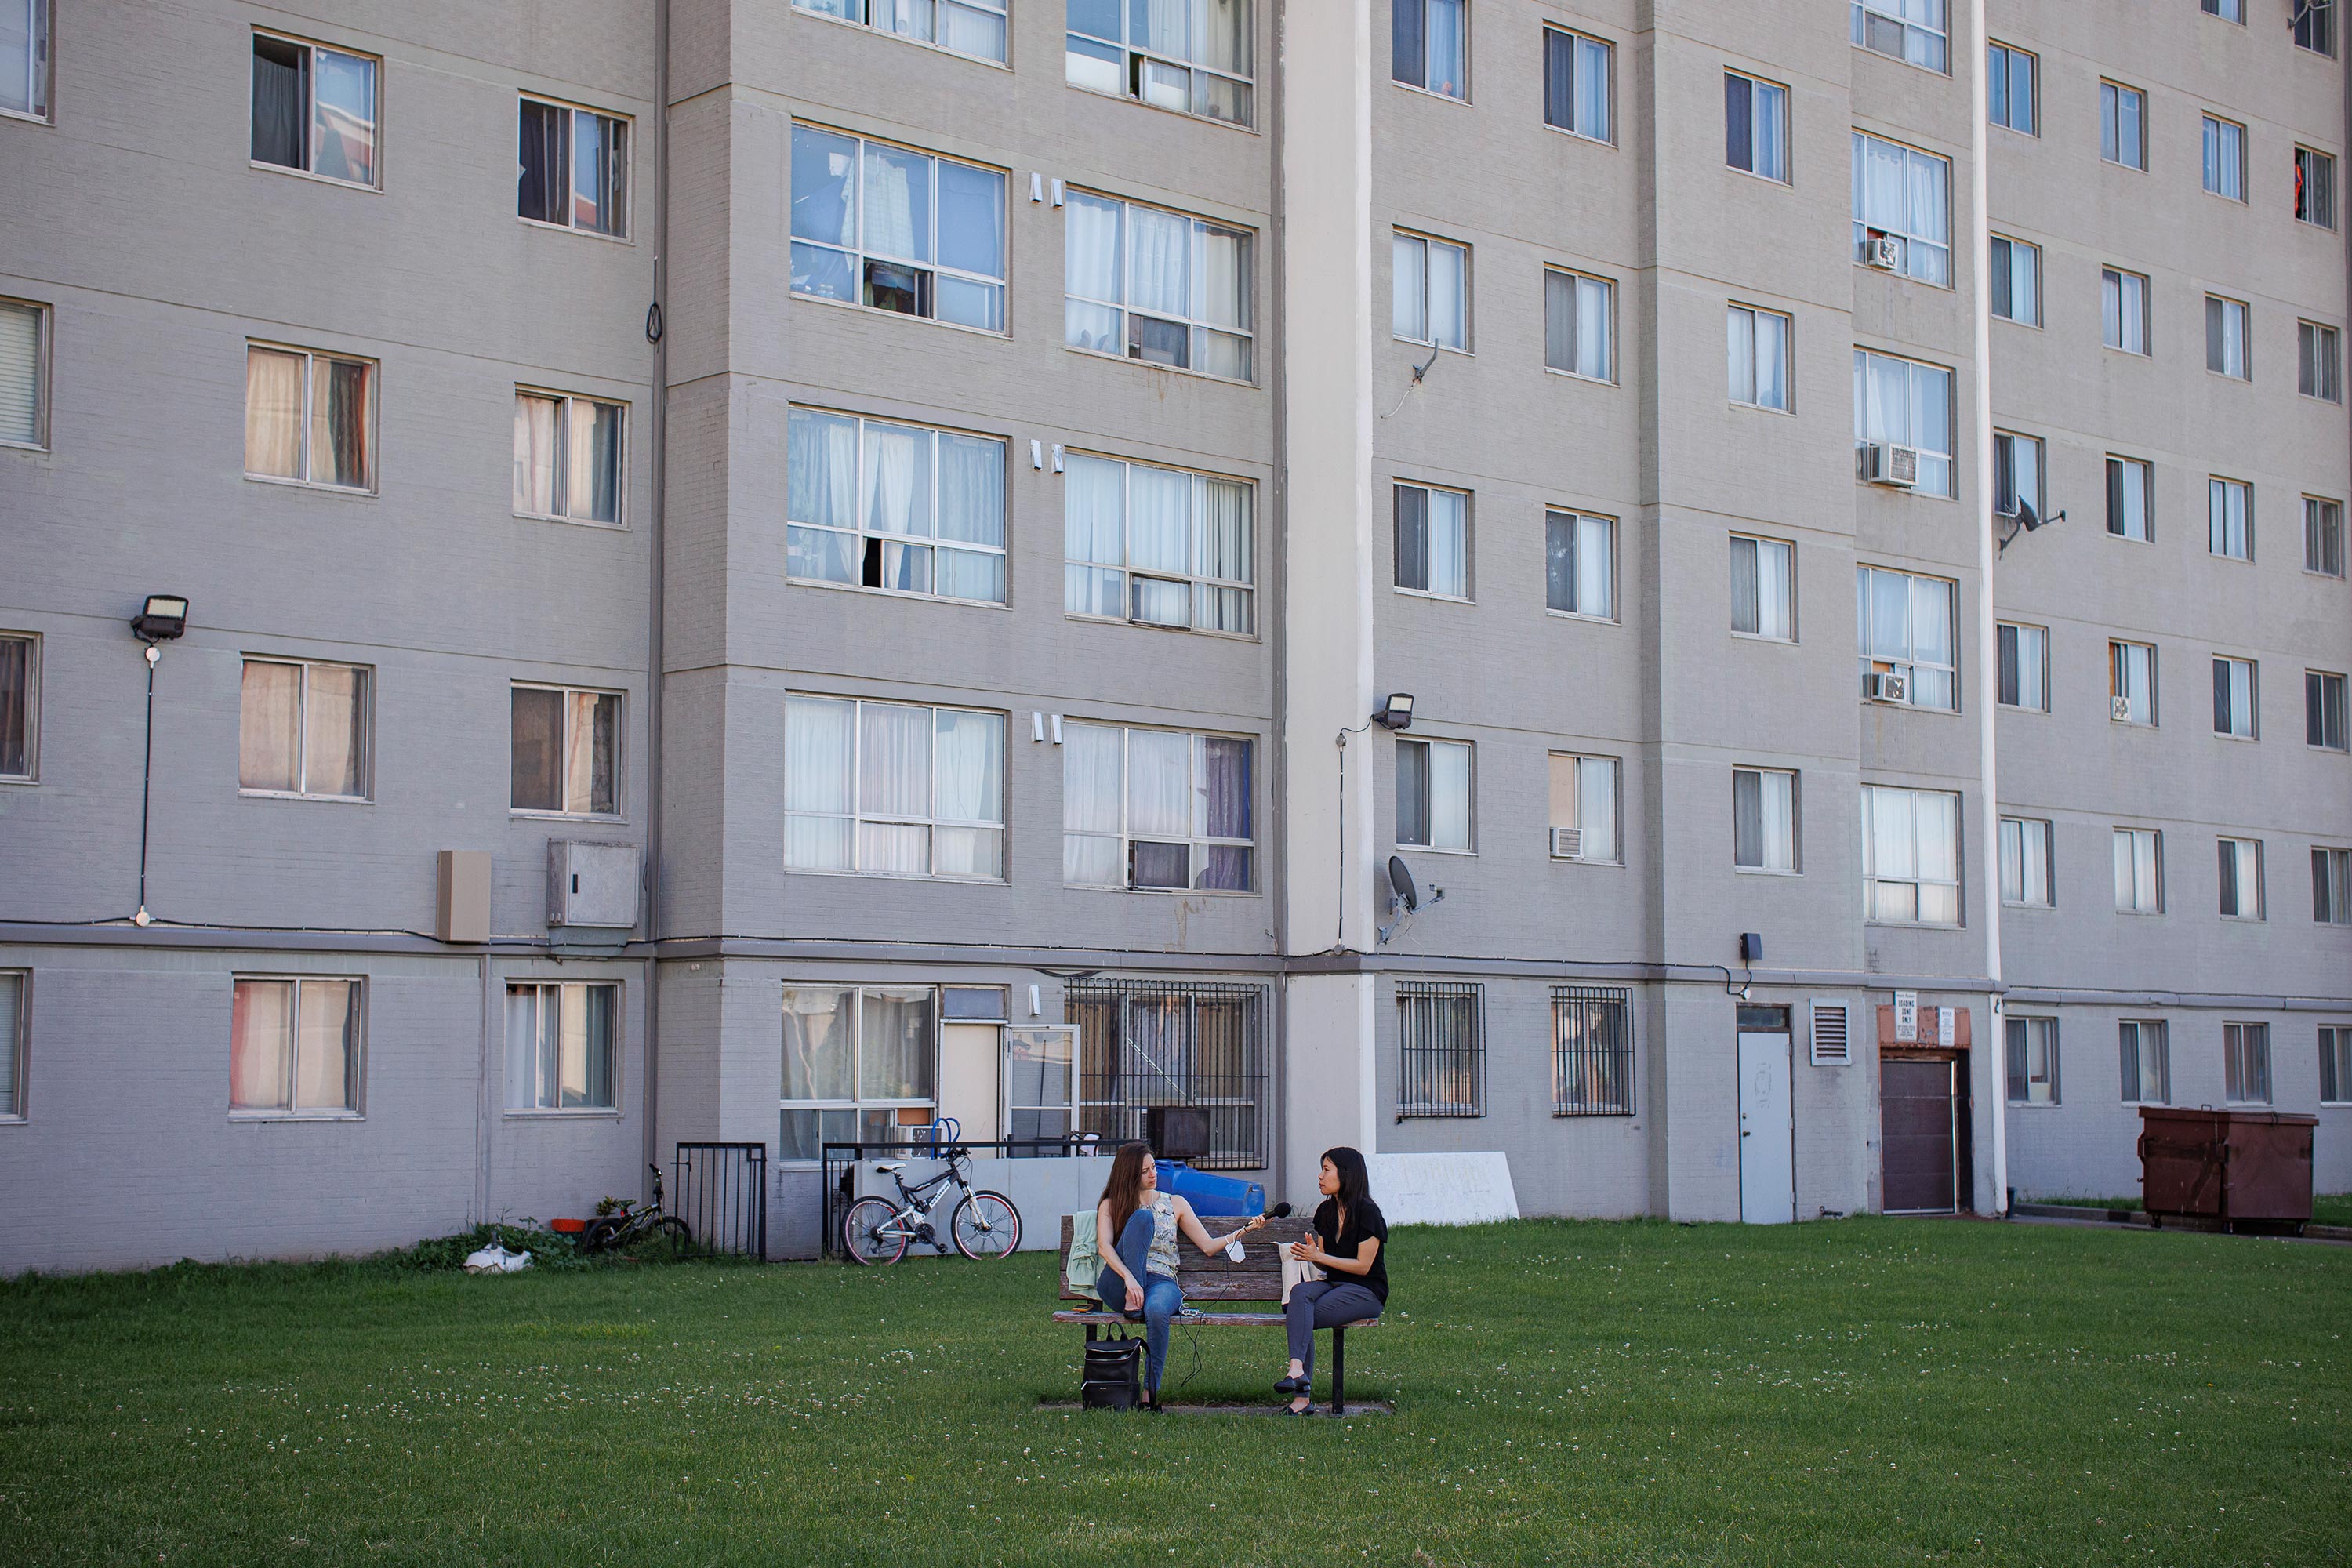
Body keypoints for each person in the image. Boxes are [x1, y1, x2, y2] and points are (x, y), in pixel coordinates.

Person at [1094, 1142, 1266, 1412]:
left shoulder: (1175, 1203)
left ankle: (1150, 1395)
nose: (1154, 1175)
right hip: (1120, 1284)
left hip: (1161, 1282)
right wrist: (1130, 1280)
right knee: (1141, 1220)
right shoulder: (1112, 1204)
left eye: (1154, 1168)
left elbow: (1208, 1246)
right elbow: (1104, 1247)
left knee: (1158, 1310)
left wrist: (1244, 1230)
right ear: (1128, 1175)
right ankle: (1134, 1293)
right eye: (1145, 1171)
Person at [1275, 1145, 1388, 1415]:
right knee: (1299, 1295)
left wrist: (1319, 1257)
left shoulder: (1368, 1212)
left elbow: (1363, 1266)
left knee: (1300, 1314)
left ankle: (1301, 1397)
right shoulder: (1325, 1211)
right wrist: (1311, 1256)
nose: (1320, 1176)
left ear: (1346, 1174)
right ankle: (1297, 1370)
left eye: (1327, 1170)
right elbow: (1324, 1260)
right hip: (1335, 1283)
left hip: (1365, 1290)